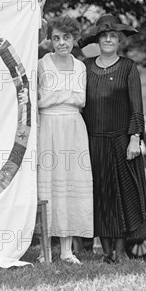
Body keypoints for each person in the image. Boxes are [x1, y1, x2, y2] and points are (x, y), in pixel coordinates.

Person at [80, 14, 146, 263]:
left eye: (113, 36)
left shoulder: (128, 67)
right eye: (104, 36)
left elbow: (137, 107)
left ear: (119, 40)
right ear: (98, 40)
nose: (108, 39)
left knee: (123, 195)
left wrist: (134, 138)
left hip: (122, 141)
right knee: (101, 194)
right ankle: (106, 251)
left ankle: (120, 252)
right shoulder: (85, 66)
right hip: (93, 141)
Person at [36, 16, 93, 264]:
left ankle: (67, 250)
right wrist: (61, 96)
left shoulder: (81, 67)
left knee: (71, 181)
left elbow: (80, 100)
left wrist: (56, 95)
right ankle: (44, 250)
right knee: (46, 182)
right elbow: (38, 100)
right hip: (48, 126)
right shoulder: (40, 64)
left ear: (74, 40)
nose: (61, 43)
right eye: (56, 38)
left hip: (73, 128)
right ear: (50, 40)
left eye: (67, 38)